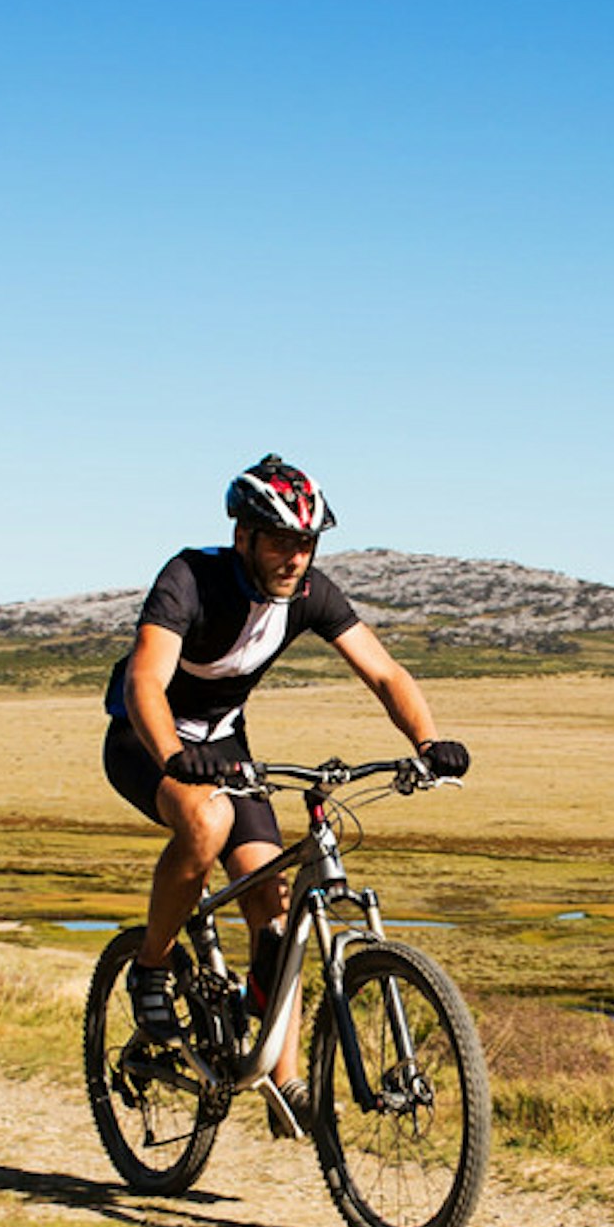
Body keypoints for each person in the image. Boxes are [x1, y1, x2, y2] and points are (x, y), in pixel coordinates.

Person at [103, 455, 468, 1131]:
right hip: (145, 738)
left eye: (306, 543)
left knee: (276, 902)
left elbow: (384, 673)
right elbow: (144, 684)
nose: (295, 557)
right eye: (280, 540)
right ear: (243, 535)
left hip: (225, 743)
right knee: (205, 827)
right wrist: (176, 758)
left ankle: (285, 1081)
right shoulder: (190, 578)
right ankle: (150, 968)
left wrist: (428, 742)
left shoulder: (310, 593)